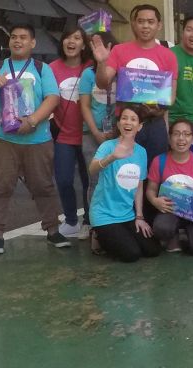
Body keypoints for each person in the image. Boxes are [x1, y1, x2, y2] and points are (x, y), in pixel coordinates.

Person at [0, 24, 72, 255]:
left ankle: (53, 230)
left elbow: (53, 98)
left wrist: (32, 121)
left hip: (37, 139)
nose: (18, 41)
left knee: (43, 185)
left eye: (23, 37)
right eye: (14, 37)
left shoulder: (41, 68)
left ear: (32, 43)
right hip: (3, 139)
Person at [91, 4, 179, 171]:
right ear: (133, 23)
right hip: (127, 122)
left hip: (155, 123)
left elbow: (171, 96)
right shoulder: (119, 50)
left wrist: (157, 108)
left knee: (155, 171)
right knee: (125, 171)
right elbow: (103, 83)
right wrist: (101, 63)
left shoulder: (169, 56)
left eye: (150, 22)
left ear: (159, 25)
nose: (145, 26)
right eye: (141, 21)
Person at [89, 105, 160, 262]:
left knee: (152, 250)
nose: (128, 122)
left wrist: (139, 217)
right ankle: (97, 234)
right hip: (104, 215)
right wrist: (112, 157)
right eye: (124, 118)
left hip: (127, 215)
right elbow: (92, 169)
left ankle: (118, 235)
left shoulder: (141, 152)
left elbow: (139, 186)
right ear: (119, 123)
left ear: (139, 126)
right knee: (132, 254)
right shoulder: (107, 146)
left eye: (133, 119)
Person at [146, 119, 193, 256]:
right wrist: (155, 201)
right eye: (176, 134)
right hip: (170, 209)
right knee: (161, 228)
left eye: (186, 134)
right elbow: (151, 189)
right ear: (169, 138)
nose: (181, 138)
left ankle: (191, 236)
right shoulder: (159, 161)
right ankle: (173, 236)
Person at [50, 25, 92, 238]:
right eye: (67, 37)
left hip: (88, 134)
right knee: (64, 179)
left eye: (77, 38)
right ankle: (71, 219)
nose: (71, 41)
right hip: (64, 135)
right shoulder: (52, 68)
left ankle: (89, 220)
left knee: (89, 180)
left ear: (84, 45)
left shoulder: (91, 67)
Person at [79, 31, 118, 240]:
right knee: (94, 180)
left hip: (118, 134)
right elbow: (85, 106)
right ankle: (94, 223)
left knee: (117, 178)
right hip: (91, 134)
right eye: (94, 46)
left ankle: (116, 221)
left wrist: (117, 131)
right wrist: (96, 132)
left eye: (103, 46)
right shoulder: (87, 74)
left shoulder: (121, 72)